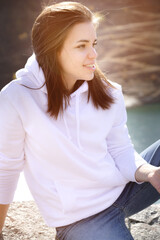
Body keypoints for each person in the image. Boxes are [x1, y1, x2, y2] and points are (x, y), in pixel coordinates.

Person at [0, 2, 160, 240]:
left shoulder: (108, 91)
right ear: (53, 50)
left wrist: (150, 173)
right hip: (80, 221)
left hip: (126, 191)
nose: (93, 54)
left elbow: (120, 150)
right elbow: (6, 169)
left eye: (93, 44)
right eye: (81, 46)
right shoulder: (18, 98)